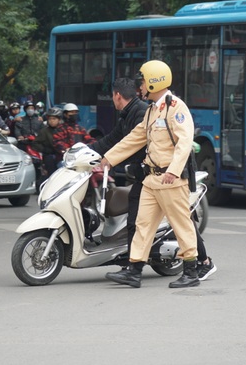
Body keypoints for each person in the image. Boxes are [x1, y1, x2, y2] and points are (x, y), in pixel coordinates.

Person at [92, 78, 216, 281]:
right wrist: (109, 159)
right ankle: (135, 270)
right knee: (143, 224)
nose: (139, 88)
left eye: (142, 83)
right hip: (151, 179)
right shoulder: (152, 111)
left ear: (153, 83)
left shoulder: (176, 107)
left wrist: (174, 170)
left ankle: (191, 270)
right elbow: (135, 138)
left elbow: (185, 142)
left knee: (181, 224)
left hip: (170, 180)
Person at [31, 107, 62, 178]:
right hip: (50, 157)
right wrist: (45, 149)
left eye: (54, 119)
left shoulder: (63, 130)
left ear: (59, 120)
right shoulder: (44, 131)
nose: (52, 121)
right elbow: (35, 144)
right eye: (50, 119)